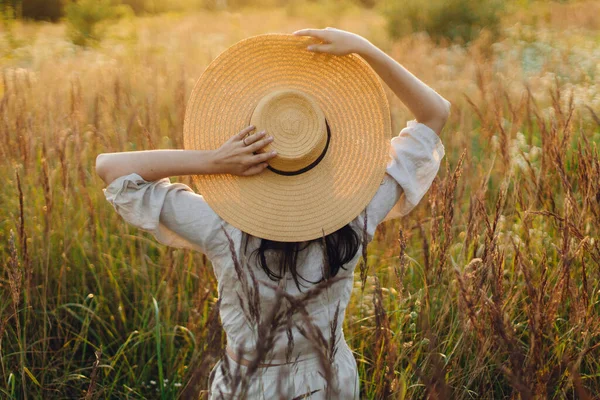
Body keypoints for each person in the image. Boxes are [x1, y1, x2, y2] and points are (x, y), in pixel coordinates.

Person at [96, 27, 449, 399]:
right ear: (331, 151)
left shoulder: (222, 227)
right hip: (331, 383)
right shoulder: (359, 216)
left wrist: (215, 161)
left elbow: (111, 168)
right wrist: (365, 50)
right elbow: (435, 113)